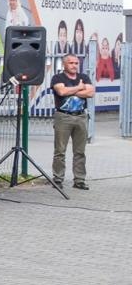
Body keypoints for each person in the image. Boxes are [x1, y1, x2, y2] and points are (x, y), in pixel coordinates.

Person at [49, 52, 94, 191]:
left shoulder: (84, 77)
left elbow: (90, 93)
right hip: (63, 116)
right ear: (64, 64)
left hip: (81, 116)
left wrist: (72, 90)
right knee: (60, 150)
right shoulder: (57, 77)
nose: (74, 66)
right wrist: (80, 88)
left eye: (76, 63)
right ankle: (58, 178)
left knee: (80, 151)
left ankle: (79, 179)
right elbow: (61, 92)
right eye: (71, 63)